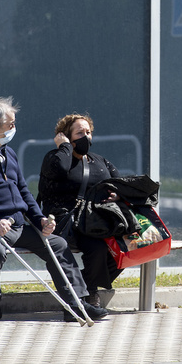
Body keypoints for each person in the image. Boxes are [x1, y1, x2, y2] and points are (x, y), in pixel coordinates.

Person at [0, 97, 108, 322]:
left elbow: (24, 192)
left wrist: (41, 219)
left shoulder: (8, 152)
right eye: (11, 124)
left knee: (58, 243)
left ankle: (76, 303)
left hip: (15, 225)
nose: (14, 128)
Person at [37, 113, 123, 307]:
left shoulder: (99, 161)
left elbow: (118, 183)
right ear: (67, 136)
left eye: (88, 132)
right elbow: (60, 169)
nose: (86, 137)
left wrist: (117, 195)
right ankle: (86, 294)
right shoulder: (55, 157)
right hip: (64, 221)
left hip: (91, 222)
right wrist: (65, 147)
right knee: (87, 248)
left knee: (113, 248)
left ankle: (86, 287)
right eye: (79, 133)